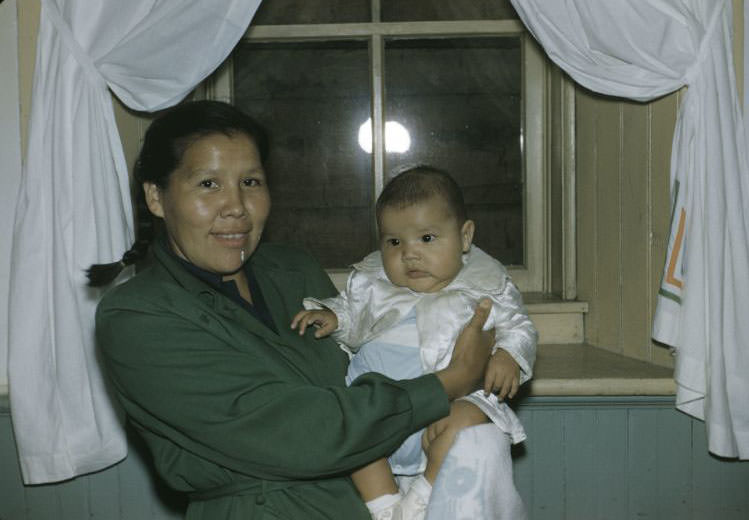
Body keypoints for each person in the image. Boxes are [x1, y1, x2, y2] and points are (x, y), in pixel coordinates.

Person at [89, 100, 496, 520]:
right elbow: (305, 433)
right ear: (156, 197)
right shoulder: (138, 316)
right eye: (208, 184)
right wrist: (451, 379)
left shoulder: (293, 270)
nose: (236, 206)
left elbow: (362, 372)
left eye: (250, 181)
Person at [291, 165, 538, 520]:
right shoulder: (374, 285)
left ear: (464, 237)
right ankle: (386, 506)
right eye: (394, 242)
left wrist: (509, 354)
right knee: (351, 429)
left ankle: (422, 494)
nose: (409, 253)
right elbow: (351, 311)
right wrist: (334, 317)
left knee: (469, 418)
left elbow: (519, 326)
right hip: (378, 405)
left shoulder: (487, 286)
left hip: (444, 406)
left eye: (427, 238)